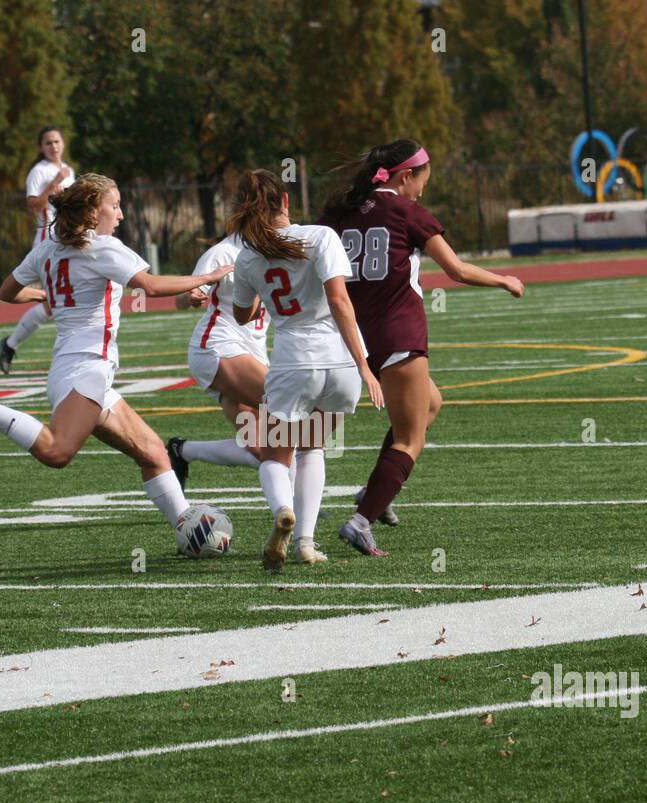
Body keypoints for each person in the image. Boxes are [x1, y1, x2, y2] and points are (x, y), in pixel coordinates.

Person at [0, 173, 231, 537]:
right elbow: (151, 286)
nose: (119, 215)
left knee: (153, 453)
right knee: (57, 452)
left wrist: (46, 297)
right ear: (92, 210)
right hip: (85, 367)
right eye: (115, 205)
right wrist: (208, 276)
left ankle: (191, 531)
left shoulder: (48, 248)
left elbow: (7, 292)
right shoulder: (101, 247)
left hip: (77, 367)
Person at [319, 139, 524, 556]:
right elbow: (457, 269)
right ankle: (361, 521)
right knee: (410, 439)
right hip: (399, 334)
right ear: (405, 175)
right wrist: (504, 280)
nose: (422, 191)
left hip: (359, 336)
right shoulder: (405, 212)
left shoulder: (341, 212)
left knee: (430, 403)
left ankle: (375, 493)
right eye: (421, 181)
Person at [229, 169, 383, 571]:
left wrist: (264, 295)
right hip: (339, 362)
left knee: (275, 455)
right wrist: (364, 366)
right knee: (313, 447)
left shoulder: (247, 257)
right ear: (284, 201)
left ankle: (283, 510)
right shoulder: (320, 236)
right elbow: (340, 302)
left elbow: (241, 315)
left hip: (295, 361)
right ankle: (305, 544)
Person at [165, 203, 273, 488]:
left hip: (251, 357)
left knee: (263, 449)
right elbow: (184, 296)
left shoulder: (274, 250)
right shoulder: (222, 253)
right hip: (219, 349)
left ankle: (182, 450)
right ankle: (301, 504)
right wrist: (190, 297)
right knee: (288, 406)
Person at [0, 126, 77, 374]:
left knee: (61, 301)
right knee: (57, 301)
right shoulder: (39, 172)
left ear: (63, 144)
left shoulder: (70, 171)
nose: (53, 146)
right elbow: (33, 205)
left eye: (56, 141)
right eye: (48, 143)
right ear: (40, 148)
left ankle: (10, 344)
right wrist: (54, 182)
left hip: (69, 240)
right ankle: (12, 343)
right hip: (48, 240)